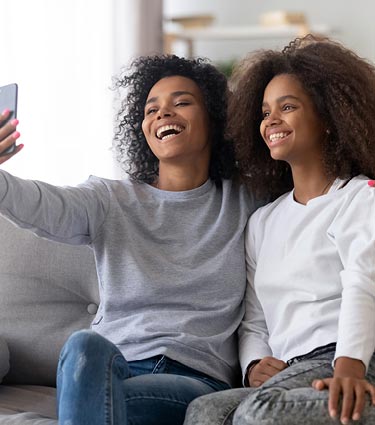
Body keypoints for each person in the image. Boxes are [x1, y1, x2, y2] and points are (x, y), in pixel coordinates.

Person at [0, 55, 259, 425]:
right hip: (105, 369)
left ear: (216, 120)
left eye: (181, 102)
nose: (163, 114)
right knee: (82, 345)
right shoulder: (109, 200)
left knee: (96, 404)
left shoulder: (245, 202)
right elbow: (41, 205)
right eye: (151, 109)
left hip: (193, 382)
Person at [183, 35, 375, 425]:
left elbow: (363, 284)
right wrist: (254, 363)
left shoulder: (361, 198)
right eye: (266, 111)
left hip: (352, 360)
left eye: (287, 107)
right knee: (205, 411)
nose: (271, 121)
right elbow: (255, 318)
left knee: (259, 413)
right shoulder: (263, 222)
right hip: (291, 369)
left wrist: (350, 367)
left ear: (327, 117)